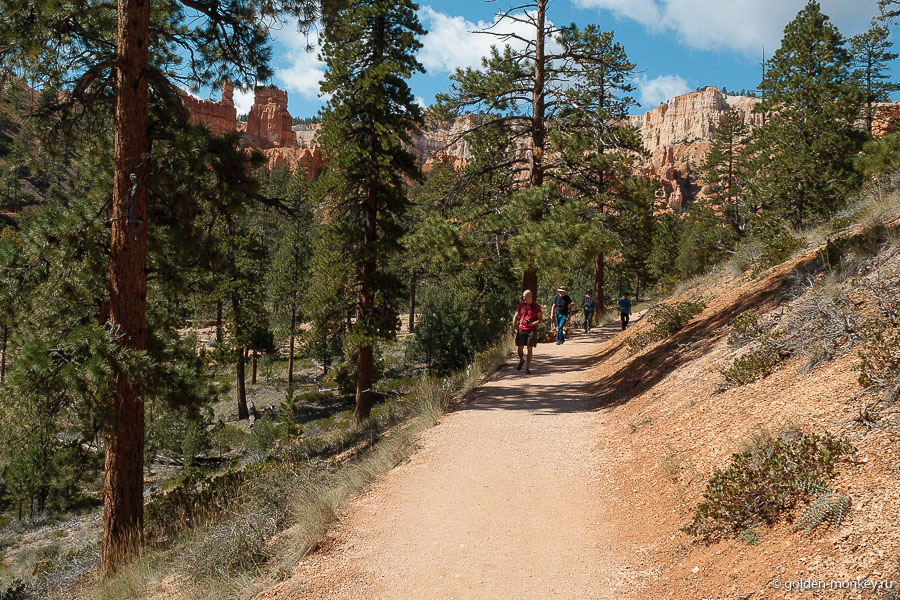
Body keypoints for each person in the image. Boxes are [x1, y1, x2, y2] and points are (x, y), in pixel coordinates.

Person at [513, 289, 542, 374]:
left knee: (529, 348)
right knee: (520, 347)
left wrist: (532, 323)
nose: (524, 299)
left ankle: (527, 368)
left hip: (531, 330)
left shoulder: (536, 306)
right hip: (521, 329)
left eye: (526, 297)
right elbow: (515, 316)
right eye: (523, 297)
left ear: (530, 297)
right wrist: (513, 328)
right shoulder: (521, 305)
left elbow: (540, 320)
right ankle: (521, 360)